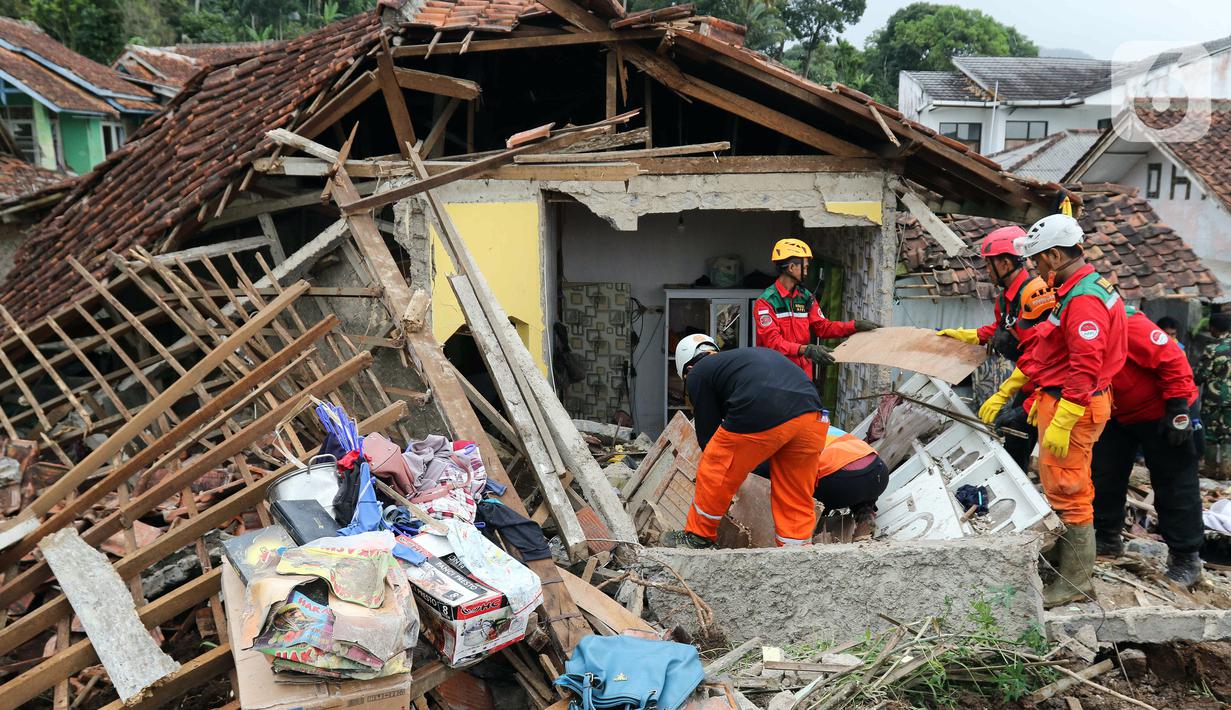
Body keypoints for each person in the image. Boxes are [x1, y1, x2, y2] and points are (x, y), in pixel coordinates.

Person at [1013, 213, 1128, 608]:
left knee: (1069, 490)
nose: (1036, 270)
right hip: (1066, 399)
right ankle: (1066, 569)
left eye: (1039, 261)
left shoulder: (1084, 300)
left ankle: (1075, 582)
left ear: (1056, 255)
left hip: (1074, 405)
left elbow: (1085, 366)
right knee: (1067, 485)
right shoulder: (1082, 288)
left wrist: (1063, 418)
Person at [661, 334, 829, 549]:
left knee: (715, 465)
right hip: (813, 416)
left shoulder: (698, 374)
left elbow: (709, 437)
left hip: (763, 407)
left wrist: (725, 473)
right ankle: (795, 553)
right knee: (793, 491)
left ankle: (698, 536)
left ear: (687, 368)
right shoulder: (740, 361)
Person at [1091, 308, 1204, 586]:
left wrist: (1178, 410)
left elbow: (1173, 359)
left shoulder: (1126, 322)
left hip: (1162, 409)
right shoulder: (1071, 323)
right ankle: (1106, 538)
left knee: (1174, 481)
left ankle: (1186, 557)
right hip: (1117, 411)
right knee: (1103, 475)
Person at [755, 238, 879, 377]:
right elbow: (773, 343)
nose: (807, 272)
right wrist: (806, 349)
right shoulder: (766, 302)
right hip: (776, 375)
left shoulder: (805, 296)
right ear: (791, 268)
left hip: (803, 377)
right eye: (805, 267)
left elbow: (823, 327)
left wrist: (854, 326)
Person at [1197, 312, 1231, 479]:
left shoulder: (1212, 348)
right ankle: (1227, 471)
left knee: (1210, 434)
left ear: (1212, 328)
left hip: (1214, 398)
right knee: (1228, 434)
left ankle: (1210, 470)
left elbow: (1201, 375)